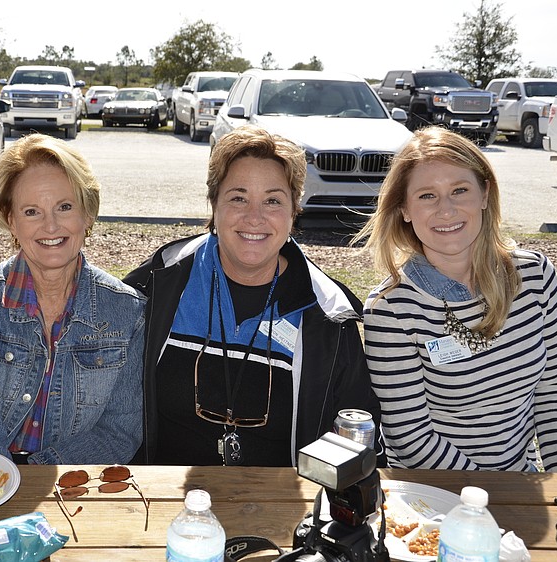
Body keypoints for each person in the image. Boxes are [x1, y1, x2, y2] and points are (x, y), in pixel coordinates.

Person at [123, 125, 383, 467]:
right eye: (238, 197)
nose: (254, 217)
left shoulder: (328, 315)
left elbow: (356, 440)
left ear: (294, 211)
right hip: (164, 492)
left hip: (281, 495)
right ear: (214, 204)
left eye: (272, 200)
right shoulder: (160, 282)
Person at [356, 126, 557, 472]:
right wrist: (490, 497)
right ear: (404, 209)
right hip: (433, 494)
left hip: (521, 486)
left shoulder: (535, 276)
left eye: (459, 190)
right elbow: (411, 438)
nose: (446, 210)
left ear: (485, 194)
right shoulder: (390, 309)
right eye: (427, 196)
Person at [0, 133, 146, 465]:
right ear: (11, 221)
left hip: (76, 482)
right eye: (32, 211)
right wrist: (12, 482)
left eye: (64, 207)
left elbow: (119, 432)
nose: (51, 226)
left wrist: (37, 474)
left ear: (87, 214)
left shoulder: (128, 313)